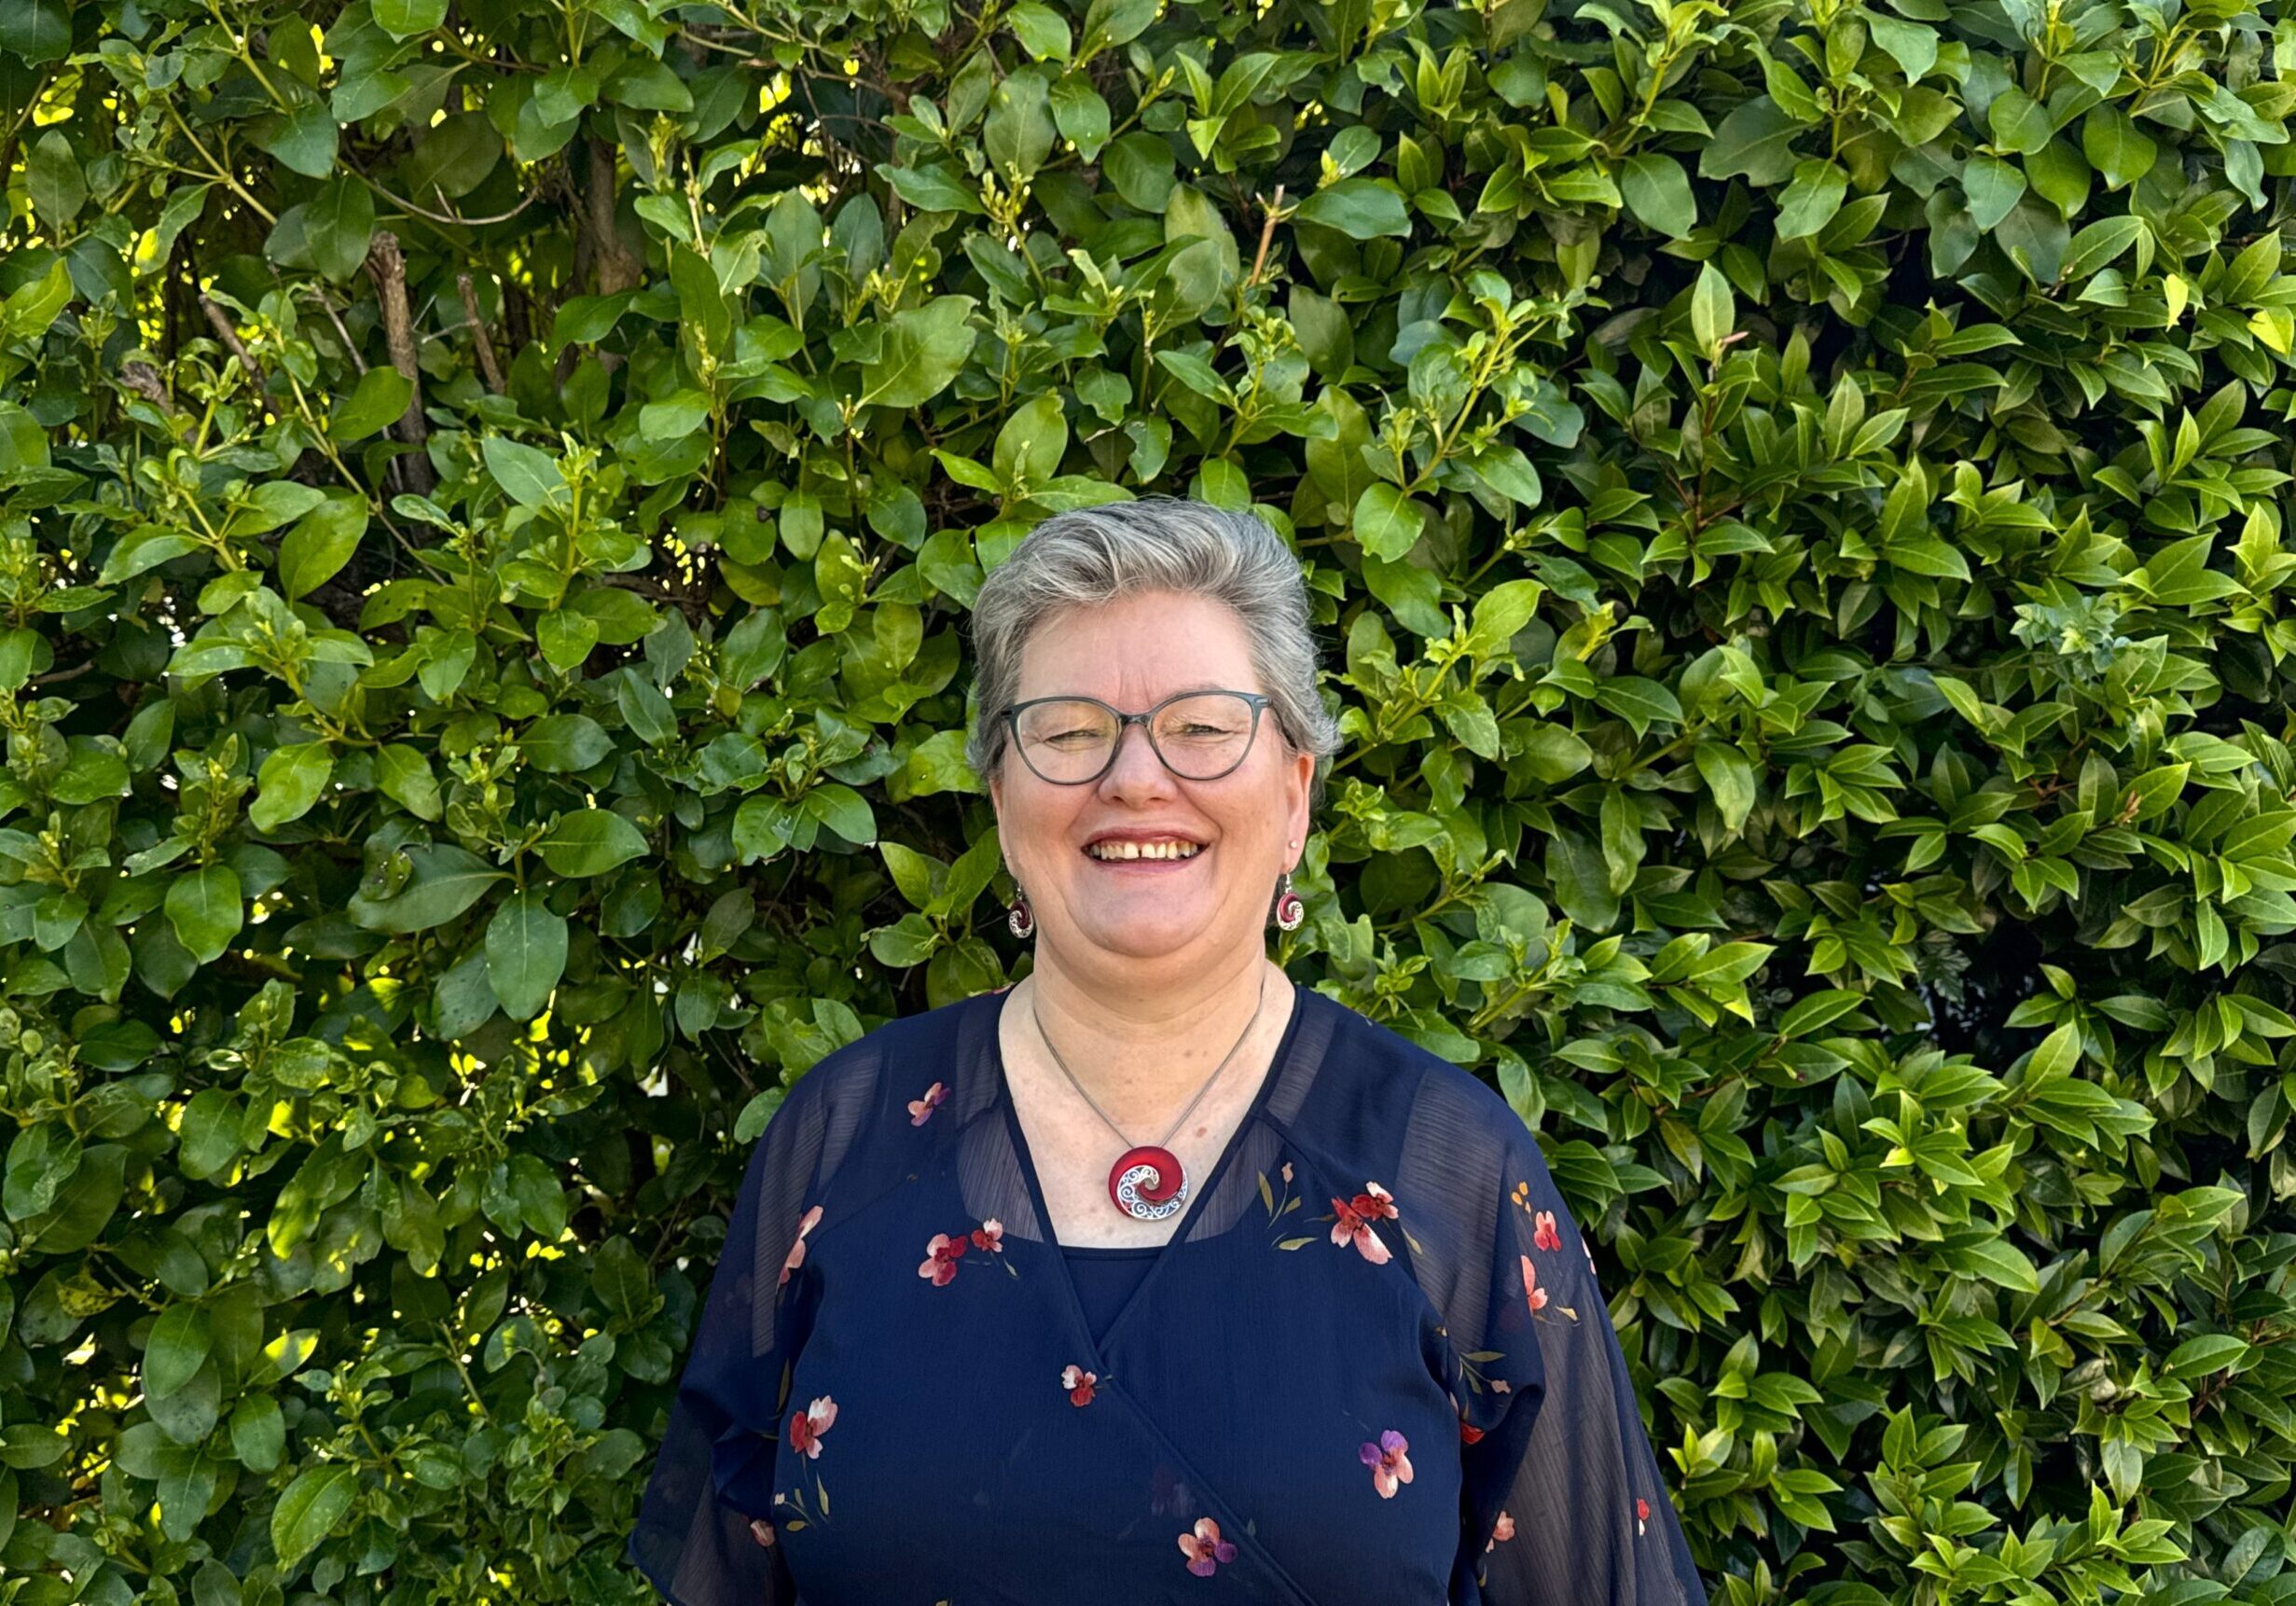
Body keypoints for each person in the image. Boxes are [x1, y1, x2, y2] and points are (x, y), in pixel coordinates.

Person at [626, 499, 1708, 1605]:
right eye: (1068, 730)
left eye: (1199, 726)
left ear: (1293, 798)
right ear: (1002, 803)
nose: (1135, 779)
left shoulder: (1449, 1177)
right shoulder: (842, 1143)